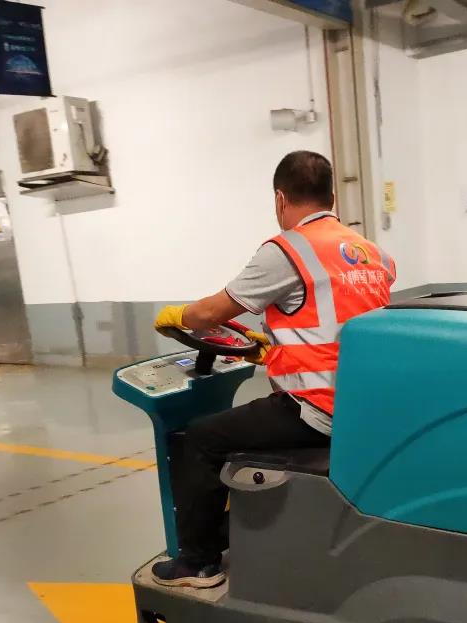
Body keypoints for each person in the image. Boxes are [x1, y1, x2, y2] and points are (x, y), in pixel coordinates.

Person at [150, 151, 396, 589]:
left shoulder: (288, 250)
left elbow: (211, 313)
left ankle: (198, 563)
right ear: (332, 197)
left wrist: (177, 316)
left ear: (281, 199)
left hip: (318, 411)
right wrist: (270, 349)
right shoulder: (371, 253)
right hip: (366, 408)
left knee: (201, 438)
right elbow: (339, 327)